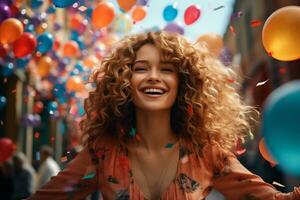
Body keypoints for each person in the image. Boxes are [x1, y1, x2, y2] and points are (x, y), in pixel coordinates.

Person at [28, 31, 300, 200]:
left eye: (167, 69)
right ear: (124, 80)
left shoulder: (207, 153)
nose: (154, 77)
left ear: (184, 82)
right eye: (141, 68)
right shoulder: (103, 152)